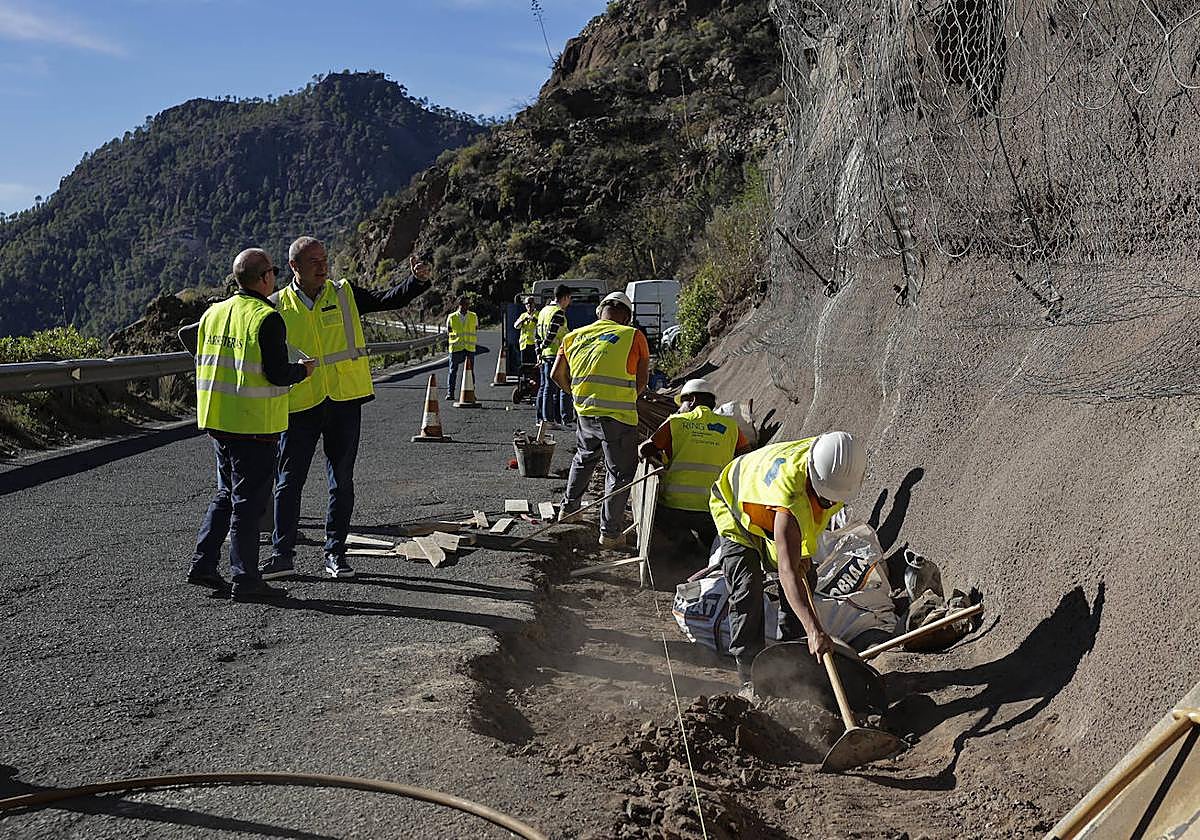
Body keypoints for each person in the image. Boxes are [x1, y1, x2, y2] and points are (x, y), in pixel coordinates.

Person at [262, 237, 431, 580]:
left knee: (341, 481)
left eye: (324, 259)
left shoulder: (344, 293)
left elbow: (388, 298)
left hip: (343, 400)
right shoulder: (276, 306)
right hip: (299, 406)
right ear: (294, 267)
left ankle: (335, 553)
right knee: (288, 482)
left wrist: (417, 281)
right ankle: (282, 555)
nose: (323, 266)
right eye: (313, 261)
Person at [187, 248, 315, 602]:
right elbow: (275, 373)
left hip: (218, 419)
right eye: (273, 270)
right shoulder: (266, 317)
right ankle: (246, 578)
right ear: (264, 278)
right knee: (247, 503)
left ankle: (203, 564)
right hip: (253, 424)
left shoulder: (214, 312)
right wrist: (302, 372)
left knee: (226, 495)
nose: (275, 275)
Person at [709, 433, 867, 693]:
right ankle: (748, 673)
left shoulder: (832, 460)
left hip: (767, 502)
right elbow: (787, 571)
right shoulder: (789, 497)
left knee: (809, 577)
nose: (829, 504)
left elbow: (809, 524)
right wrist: (815, 629)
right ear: (814, 479)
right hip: (734, 501)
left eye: (833, 500)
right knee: (748, 585)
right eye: (825, 498)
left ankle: (791, 657)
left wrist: (801, 553)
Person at [552, 291, 650, 547]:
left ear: (599, 311)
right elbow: (642, 380)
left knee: (584, 457)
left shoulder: (573, 336)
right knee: (619, 473)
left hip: (586, 411)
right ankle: (610, 533)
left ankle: (569, 509)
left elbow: (556, 374)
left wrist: (575, 394)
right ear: (627, 316)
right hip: (618, 416)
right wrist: (625, 398)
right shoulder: (633, 336)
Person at [639, 378, 748, 558]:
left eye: (681, 403)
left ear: (693, 400)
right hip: (712, 508)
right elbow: (746, 456)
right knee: (711, 537)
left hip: (674, 507)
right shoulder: (731, 427)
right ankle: (707, 549)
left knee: (654, 511)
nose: (679, 408)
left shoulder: (675, 422)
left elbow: (645, 450)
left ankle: (686, 545)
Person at [535, 284, 572, 426]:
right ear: (565, 298)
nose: (569, 302)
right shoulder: (558, 313)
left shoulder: (544, 311)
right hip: (556, 354)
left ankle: (541, 418)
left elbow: (537, 335)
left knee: (544, 387)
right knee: (559, 387)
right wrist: (545, 346)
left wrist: (539, 352)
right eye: (569, 299)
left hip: (545, 355)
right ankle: (554, 419)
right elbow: (552, 334)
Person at [445, 295, 478, 400]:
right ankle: (450, 393)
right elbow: (449, 331)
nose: (467, 306)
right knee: (452, 370)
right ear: (460, 304)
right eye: (465, 304)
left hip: (469, 347)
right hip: (456, 347)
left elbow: (476, 328)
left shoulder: (473, 316)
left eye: (468, 304)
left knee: (470, 372)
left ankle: (471, 393)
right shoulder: (452, 317)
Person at [514, 296, 538, 366]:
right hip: (524, 344)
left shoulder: (538, 314)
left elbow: (541, 325)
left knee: (534, 365)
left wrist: (535, 320)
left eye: (531, 303)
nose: (529, 305)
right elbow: (516, 326)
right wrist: (522, 320)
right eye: (527, 303)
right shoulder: (523, 315)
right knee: (524, 365)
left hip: (534, 344)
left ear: (534, 304)